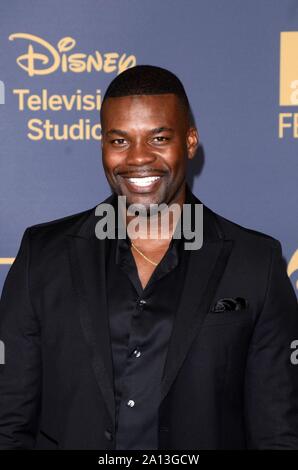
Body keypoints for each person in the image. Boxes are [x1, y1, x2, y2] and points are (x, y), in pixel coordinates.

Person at [0, 65, 297, 450]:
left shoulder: (257, 263)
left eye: (158, 138)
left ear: (189, 141)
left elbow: (278, 434)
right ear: (103, 146)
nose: (138, 159)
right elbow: (8, 421)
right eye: (119, 141)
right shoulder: (43, 254)